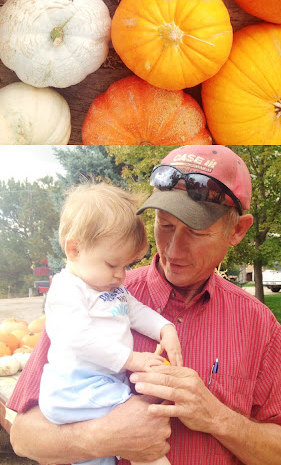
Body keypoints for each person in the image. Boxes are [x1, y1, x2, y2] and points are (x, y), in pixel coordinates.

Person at [8, 145, 281, 465]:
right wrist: (102, 436)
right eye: (165, 225)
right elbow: (23, 437)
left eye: (196, 232)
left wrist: (216, 417)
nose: (173, 250)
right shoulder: (93, 295)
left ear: (237, 230)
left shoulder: (258, 323)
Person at [40, 184, 183, 465]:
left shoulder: (111, 288)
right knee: (139, 428)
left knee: (98, 459)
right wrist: (132, 359)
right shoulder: (67, 290)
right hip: (75, 387)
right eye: (112, 264)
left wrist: (166, 328)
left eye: (126, 266)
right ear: (75, 249)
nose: (121, 275)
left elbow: (136, 312)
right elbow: (78, 338)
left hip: (99, 386)